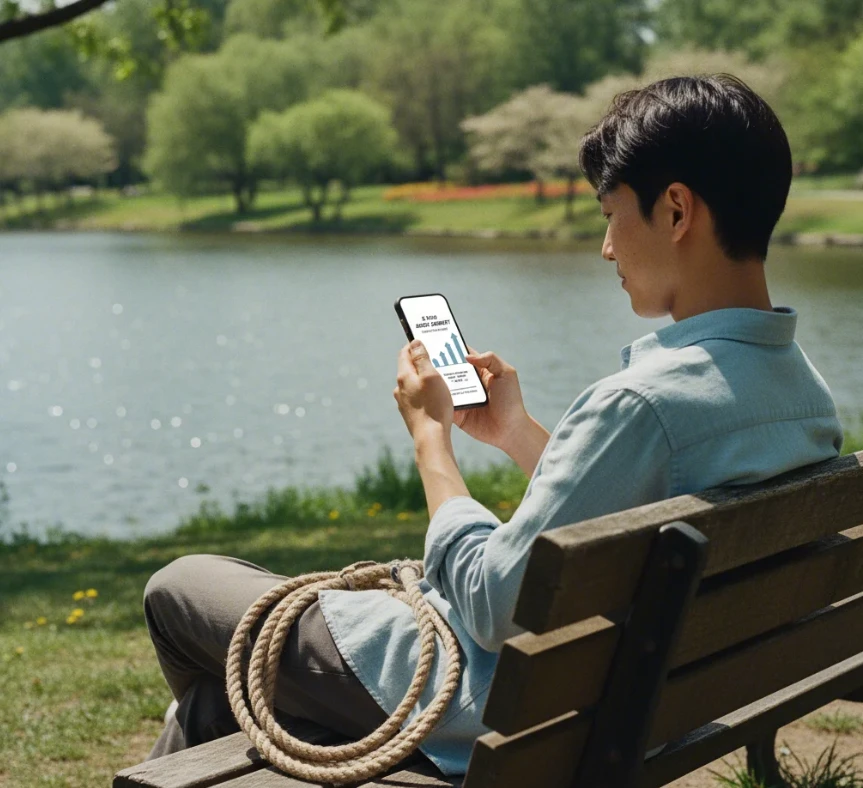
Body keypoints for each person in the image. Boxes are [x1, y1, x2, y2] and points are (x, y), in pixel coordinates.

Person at [142, 73, 844, 773]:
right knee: (211, 704)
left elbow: (490, 603)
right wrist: (515, 432)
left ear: (675, 211)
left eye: (609, 213)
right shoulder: (802, 394)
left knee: (179, 589)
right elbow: (629, 528)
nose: (605, 247)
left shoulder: (641, 403)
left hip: (487, 710)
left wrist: (430, 441)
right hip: (634, 706)